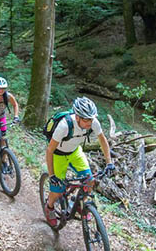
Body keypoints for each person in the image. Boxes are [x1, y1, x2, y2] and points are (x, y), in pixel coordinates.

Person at [44, 96, 114, 227]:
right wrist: (52, 175)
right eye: (86, 119)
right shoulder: (64, 126)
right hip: (58, 155)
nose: (89, 123)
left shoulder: (93, 122)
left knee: (89, 180)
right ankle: (49, 207)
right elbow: (49, 150)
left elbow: (103, 140)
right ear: (77, 117)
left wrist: (109, 162)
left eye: (91, 119)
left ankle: (78, 206)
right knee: (58, 190)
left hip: (75, 152)